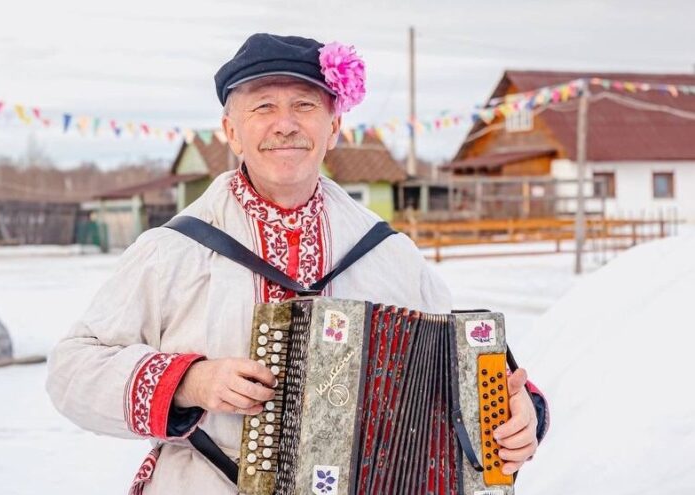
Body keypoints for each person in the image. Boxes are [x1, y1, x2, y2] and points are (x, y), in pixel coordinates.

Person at [46, 33, 548, 495]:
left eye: (304, 105)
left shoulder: (387, 252)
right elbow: (71, 371)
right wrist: (190, 382)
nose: (285, 123)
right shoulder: (173, 249)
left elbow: (462, 372)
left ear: (334, 128)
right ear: (232, 132)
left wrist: (519, 414)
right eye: (263, 106)